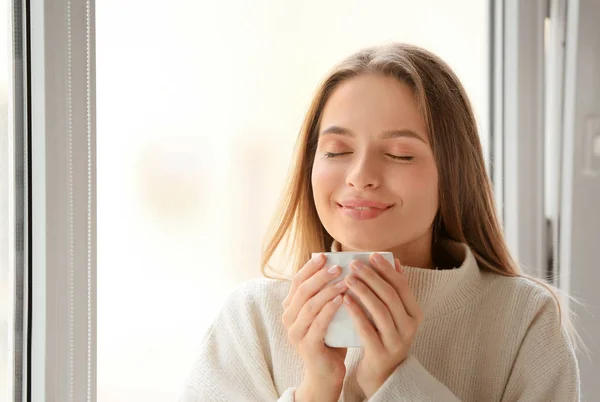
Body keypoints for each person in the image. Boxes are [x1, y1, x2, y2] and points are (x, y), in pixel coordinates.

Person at [179, 43, 580, 401]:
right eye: (336, 150)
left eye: (400, 154)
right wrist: (315, 390)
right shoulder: (251, 320)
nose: (360, 175)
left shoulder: (523, 321)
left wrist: (393, 379)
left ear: (453, 172)